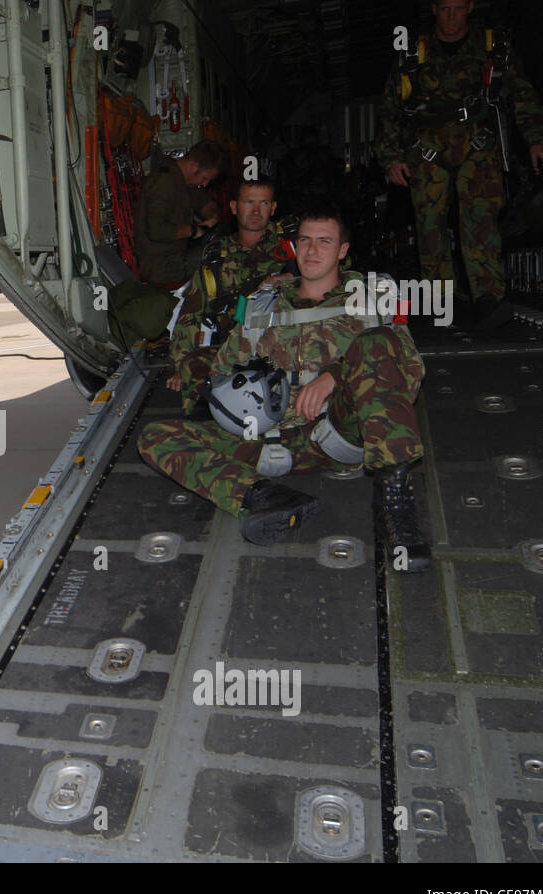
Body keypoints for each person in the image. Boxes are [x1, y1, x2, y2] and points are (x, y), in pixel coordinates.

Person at [138, 209, 432, 572]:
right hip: (270, 437)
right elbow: (222, 370)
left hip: (341, 429)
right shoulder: (265, 302)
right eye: (305, 240)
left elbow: (411, 370)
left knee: (375, 343)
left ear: (343, 250)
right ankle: (266, 496)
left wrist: (335, 375)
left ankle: (395, 505)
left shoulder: (372, 298)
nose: (312, 250)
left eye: (324, 242)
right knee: (156, 436)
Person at [376, 0, 543, 330]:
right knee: (429, 227)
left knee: (481, 221)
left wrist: (535, 139)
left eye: (457, 8)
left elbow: (522, 93)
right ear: (433, 9)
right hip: (425, 150)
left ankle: (488, 298)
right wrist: (390, 157)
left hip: (478, 145)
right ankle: (441, 301)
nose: (451, 16)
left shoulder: (492, 46)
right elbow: (389, 107)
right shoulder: (414, 52)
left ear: (470, 6)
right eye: (443, 8)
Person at [166, 175, 296, 406]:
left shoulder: (294, 249)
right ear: (234, 207)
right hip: (231, 351)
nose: (256, 211)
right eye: (249, 202)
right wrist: (181, 366)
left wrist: (294, 280)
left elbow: (330, 278)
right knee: (195, 376)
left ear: (273, 207)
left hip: (283, 347)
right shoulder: (216, 259)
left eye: (263, 203)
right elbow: (191, 316)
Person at [132, 140, 224, 287]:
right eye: (205, 178)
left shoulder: (184, 181)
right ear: (194, 166)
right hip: (159, 265)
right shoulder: (165, 182)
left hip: (175, 255)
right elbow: (155, 230)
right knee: (219, 259)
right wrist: (193, 230)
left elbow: (205, 202)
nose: (205, 184)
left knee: (226, 248)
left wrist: (212, 216)